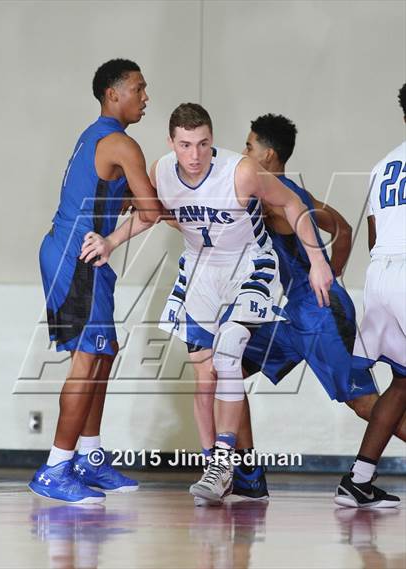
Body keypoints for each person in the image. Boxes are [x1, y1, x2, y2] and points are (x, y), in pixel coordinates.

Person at [82, 102, 333, 505]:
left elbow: (291, 204)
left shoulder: (241, 171)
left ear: (212, 140)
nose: (194, 155)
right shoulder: (162, 170)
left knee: (230, 350)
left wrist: (319, 261)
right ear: (171, 143)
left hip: (248, 264)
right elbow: (149, 215)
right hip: (200, 269)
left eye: (202, 144)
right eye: (185, 145)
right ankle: (213, 467)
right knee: (204, 374)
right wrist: (110, 242)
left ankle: (223, 463)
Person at [233, 114, 406, 496]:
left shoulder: (270, 197)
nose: (244, 154)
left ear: (268, 154)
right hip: (296, 313)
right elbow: (342, 229)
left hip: (320, 312)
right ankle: (246, 473)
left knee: (366, 403)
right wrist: (330, 270)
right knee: (222, 368)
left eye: (249, 146)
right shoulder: (294, 193)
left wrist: (326, 279)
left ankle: (358, 481)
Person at [29, 59, 162, 504]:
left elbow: (112, 193)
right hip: (78, 254)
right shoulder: (121, 143)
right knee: (87, 360)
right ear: (113, 94)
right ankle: (54, 468)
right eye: (139, 89)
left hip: (78, 251)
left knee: (105, 352)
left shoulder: (95, 135)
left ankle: (88, 457)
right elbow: (151, 212)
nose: (146, 97)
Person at [334, 84, 406, 508]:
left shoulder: (384, 165)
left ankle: (358, 478)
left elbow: (374, 237)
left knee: (400, 381)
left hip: (380, 273)